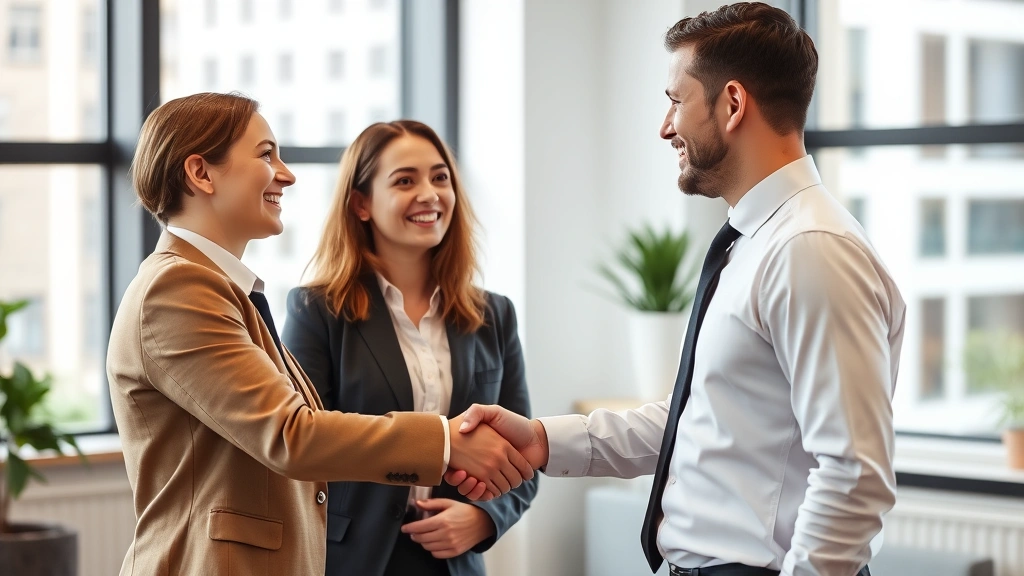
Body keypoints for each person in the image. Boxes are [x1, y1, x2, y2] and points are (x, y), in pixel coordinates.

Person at [449, 4, 906, 576]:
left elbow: (854, 475)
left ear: (733, 104)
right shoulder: (759, 242)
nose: (666, 127)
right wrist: (543, 440)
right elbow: (701, 417)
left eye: (675, 100)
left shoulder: (810, 249)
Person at [106, 92, 533, 576]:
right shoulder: (178, 287)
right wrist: (446, 442)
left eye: (440, 177)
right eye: (267, 154)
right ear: (201, 174)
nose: (286, 174)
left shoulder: (220, 288)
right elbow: (294, 434)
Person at [283, 120, 538, 576]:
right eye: (405, 180)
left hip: (454, 561)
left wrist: (484, 518)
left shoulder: (495, 315)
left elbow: (524, 454)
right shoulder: (317, 310)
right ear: (361, 203)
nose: (429, 194)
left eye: (440, 178)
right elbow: (304, 440)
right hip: (350, 560)